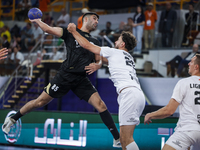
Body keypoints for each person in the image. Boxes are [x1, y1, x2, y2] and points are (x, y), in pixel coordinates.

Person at [2, 12, 121, 148]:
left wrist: (97, 65)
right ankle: (12, 119)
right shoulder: (70, 32)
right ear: (86, 19)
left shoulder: (95, 41)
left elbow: (99, 61)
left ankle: (117, 138)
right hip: (64, 76)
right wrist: (37, 20)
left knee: (101, 105)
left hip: (81, 79)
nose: (96, 22)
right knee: (39, 102)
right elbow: (48, 29)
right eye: (94, 19)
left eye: (97, 20)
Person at [67, 23, 145, 150]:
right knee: (125, 140)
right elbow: (106, 60)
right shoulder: (128, 57)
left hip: (129, 95)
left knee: (125, 139)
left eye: (118, 39)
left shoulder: (113, 52)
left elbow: (87, 45)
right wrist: (99, 63)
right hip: (137, 95)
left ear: (122, 44)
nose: (115, 41)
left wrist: (74, 32)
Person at [144, 54, 200, 150]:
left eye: (191, 62)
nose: (188, 64)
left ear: (196, 66)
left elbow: (169, 111)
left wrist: (150, 115)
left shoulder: (184, 82)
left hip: (187, 130)